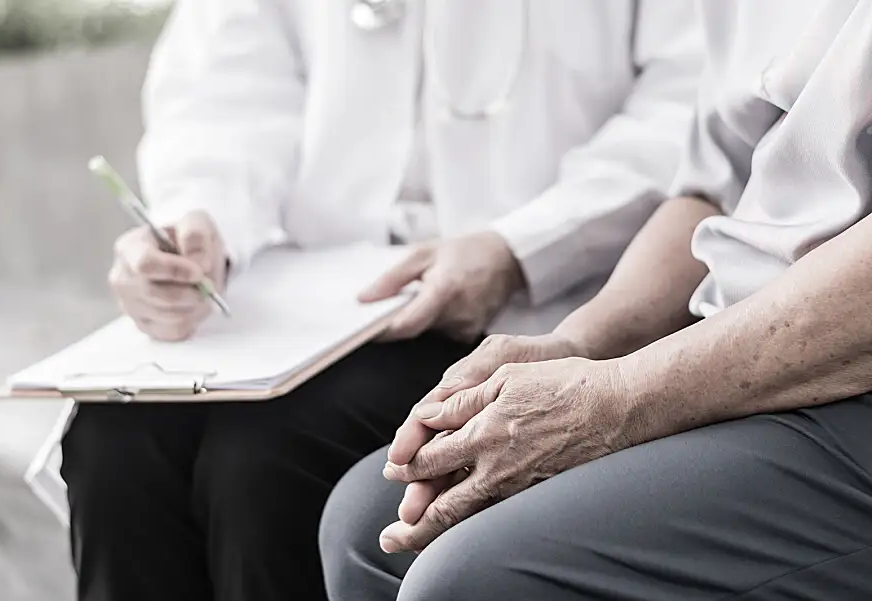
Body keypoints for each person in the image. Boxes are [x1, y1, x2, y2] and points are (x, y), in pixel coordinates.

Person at [42, 1, 703, 600]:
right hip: (307, 292)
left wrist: (521, 245)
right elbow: (226, 85)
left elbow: (689, 101)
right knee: (115, 437)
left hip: (542, 296)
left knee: (268, 458)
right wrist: (202, 217)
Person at [318, 0, 872, 599]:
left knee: (475, 578)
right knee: (366, 522)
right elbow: (713, 193)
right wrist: (580, 344)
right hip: (730, 345)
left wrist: (620, 398)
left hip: (848, 387)